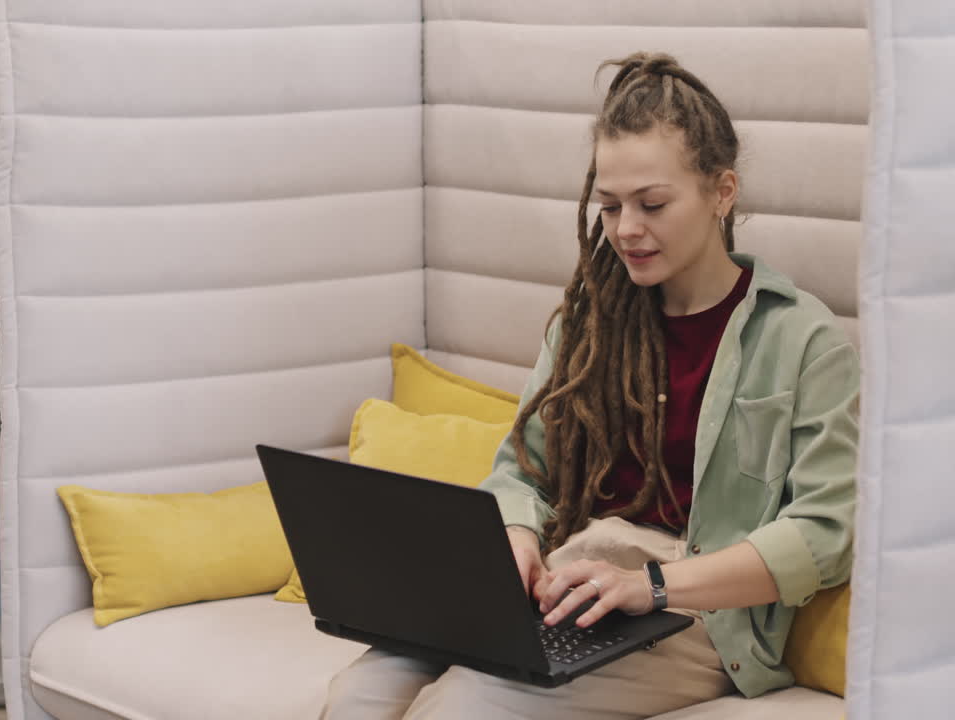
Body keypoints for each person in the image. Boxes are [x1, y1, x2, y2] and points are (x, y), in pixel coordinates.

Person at [321, 51, 859, 720]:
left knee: (461, 709)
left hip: (689, 609)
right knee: (357, 699)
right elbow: (524, 472)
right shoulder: (592, 319)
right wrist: (516, 543)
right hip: (566, 573)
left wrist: (652, 586)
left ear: (723, 192)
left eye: (653, 203)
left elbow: (824, 533)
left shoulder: (804, 340)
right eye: (610, 206)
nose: (627, 229)